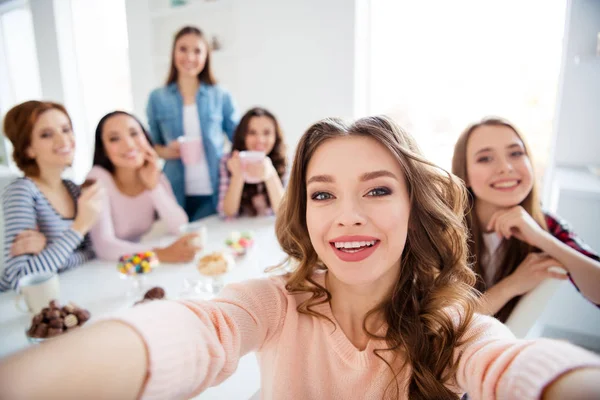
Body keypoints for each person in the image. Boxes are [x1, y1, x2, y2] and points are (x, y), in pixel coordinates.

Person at [1, 116, 599, 399]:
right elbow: (197, 330)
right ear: (304, 212)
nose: (347, 215)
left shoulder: (452, 326)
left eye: (377, 189)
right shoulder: (274, 303)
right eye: (322, 193)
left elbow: (509, 365)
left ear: (415, 207)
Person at [452, 117, 600, 321]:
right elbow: (441, 323)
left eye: (515, 153)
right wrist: (512, 285)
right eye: (485, 158)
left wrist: (542, 239)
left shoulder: (547, 225)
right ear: (464, 175)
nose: (506, 168)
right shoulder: (443, 225)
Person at [0, 101, 102, 292]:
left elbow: (93, 252)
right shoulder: (23, 191)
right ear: (28, 148)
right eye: (46, 135)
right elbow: (19, 280)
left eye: (65, 130)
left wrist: (50, 254)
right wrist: (79, 226)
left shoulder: (72, 189)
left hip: (74, 293)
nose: (63, 141)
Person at [146, 25, 239, 221]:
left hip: (214, 189)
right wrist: (167, 151)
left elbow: (239, 139)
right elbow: (150, 147)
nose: (189, 57)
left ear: (206, 56)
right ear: (173, 53)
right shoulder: (157, 98)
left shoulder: (220, 95)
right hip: (174, 191)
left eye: (197, 51)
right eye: (183, 49)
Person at [87, 111, 197, 263]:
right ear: (103, 149)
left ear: (146, 137)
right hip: (101, 267)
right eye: (114, 139)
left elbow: (179, 226)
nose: (129, 144)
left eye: (134, 133)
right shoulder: (97, 178)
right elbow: (104, 246)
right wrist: (159, 254)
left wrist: (153, 187)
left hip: (135, 264)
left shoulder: (152, 173)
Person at [218, 107, 287, 217]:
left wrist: (271, 175)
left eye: (266, 133)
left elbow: (285, 213)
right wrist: (238, 176)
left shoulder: (283, 161)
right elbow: (227, 213)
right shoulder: (229, 161)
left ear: (275, 136)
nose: (260, 139)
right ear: (243, 136)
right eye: (252, 132)